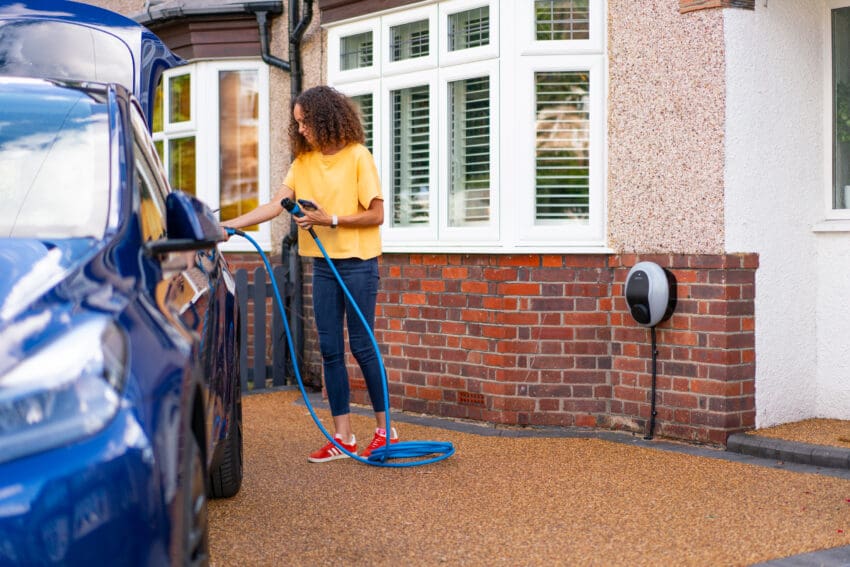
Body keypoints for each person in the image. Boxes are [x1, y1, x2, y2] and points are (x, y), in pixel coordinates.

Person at [223, 85, 398, 462]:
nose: (300, 129)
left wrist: (327, 219)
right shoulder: (302, 163)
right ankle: (344, 438)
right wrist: (227, 226)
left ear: (324, 118)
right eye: (297, 123)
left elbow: (376, 214)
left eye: (305, 122)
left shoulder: (358, 157)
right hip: (324, 267)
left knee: (362, 346)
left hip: (358, 264)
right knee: (331, 351)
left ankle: (386, 432)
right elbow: (274, 206)